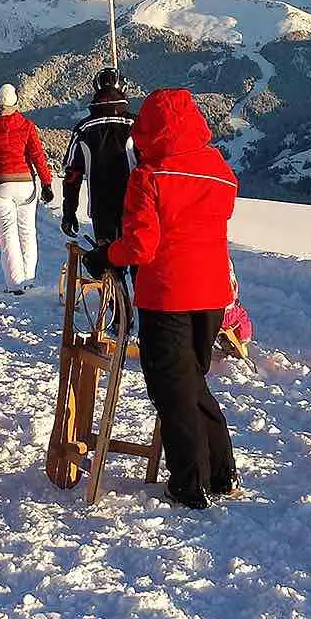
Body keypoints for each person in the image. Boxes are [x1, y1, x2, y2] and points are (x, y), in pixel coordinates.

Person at [81, 89, 238, 510]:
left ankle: (190, 481)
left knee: (172, 389)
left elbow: (140, 246)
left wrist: (105, 256)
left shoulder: (149, 176)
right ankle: (220, 471)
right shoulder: (219, 170)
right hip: (212, 294)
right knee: (192, 380)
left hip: (168, 293)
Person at [0, 83, 53, 291]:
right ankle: (29, 279)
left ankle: (14, 283)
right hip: (25, 184)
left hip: (0, 185)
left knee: (7, 232)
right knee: (27, 231)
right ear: (16, 103)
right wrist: (46, 182)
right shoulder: (27, 126)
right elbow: (37, 156)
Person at [61, 67, 136, 245]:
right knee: (136, 256)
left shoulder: (83, 129)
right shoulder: (136, 124)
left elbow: (72, 175)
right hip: (135, 205)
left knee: (106, 258)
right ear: (123, 89)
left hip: (101, 208)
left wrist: (69, 212)